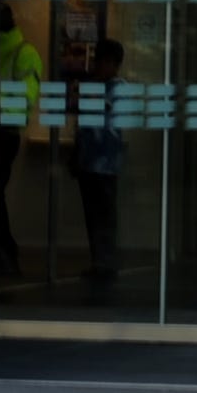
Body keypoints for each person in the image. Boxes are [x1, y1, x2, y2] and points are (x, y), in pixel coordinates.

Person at [0, 3, 44, 278]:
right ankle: (1, 250)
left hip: (4, 131)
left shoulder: (23, 52)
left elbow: (27, 95)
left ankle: (4, 251)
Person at [73, 38, 125, 285]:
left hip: (104, 164)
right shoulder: (96, 87)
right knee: (93, 215)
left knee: (103, 214)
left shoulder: (116, 89)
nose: (97, 67)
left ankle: (105, 261)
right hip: (89, 161)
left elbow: (97, 112)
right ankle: (99, 260)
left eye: (102, 62)